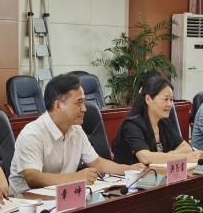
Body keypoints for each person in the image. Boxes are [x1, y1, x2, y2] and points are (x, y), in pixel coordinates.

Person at [8, 73, 144, 195]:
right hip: (26, 203)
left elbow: (96, 162)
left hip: (63, 197)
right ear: (58, 105)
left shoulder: (76, 129)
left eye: (83, 102)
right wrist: (76, 178)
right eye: (79, 103)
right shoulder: (32, 133)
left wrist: (129, 169)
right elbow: (33, 177)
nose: (84, 109)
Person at [112, 74, 203, 165]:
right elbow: (145, 158)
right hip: (130, 175)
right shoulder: (132, 125)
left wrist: (167, 156)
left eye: (171, 100)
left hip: (156, 173)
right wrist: (184, 157)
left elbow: (186, 148)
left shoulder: (163, 122)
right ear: (148, 99)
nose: (170, 104)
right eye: (165, 99)